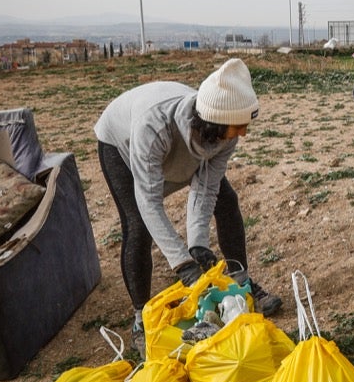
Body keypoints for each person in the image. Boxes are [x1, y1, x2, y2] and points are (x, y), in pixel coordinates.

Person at [94, 58, 280, 352]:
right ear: (215, 122)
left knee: (226, 200)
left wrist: (197, 245)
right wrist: (182, 263)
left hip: (180, 147)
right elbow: (149, 201)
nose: (243, 133)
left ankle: (240, 284)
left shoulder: (225, 132)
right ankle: (141, 318)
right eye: (239, 126)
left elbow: (206, 188)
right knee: (138, 224)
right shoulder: (153, 128)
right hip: (122, 144)